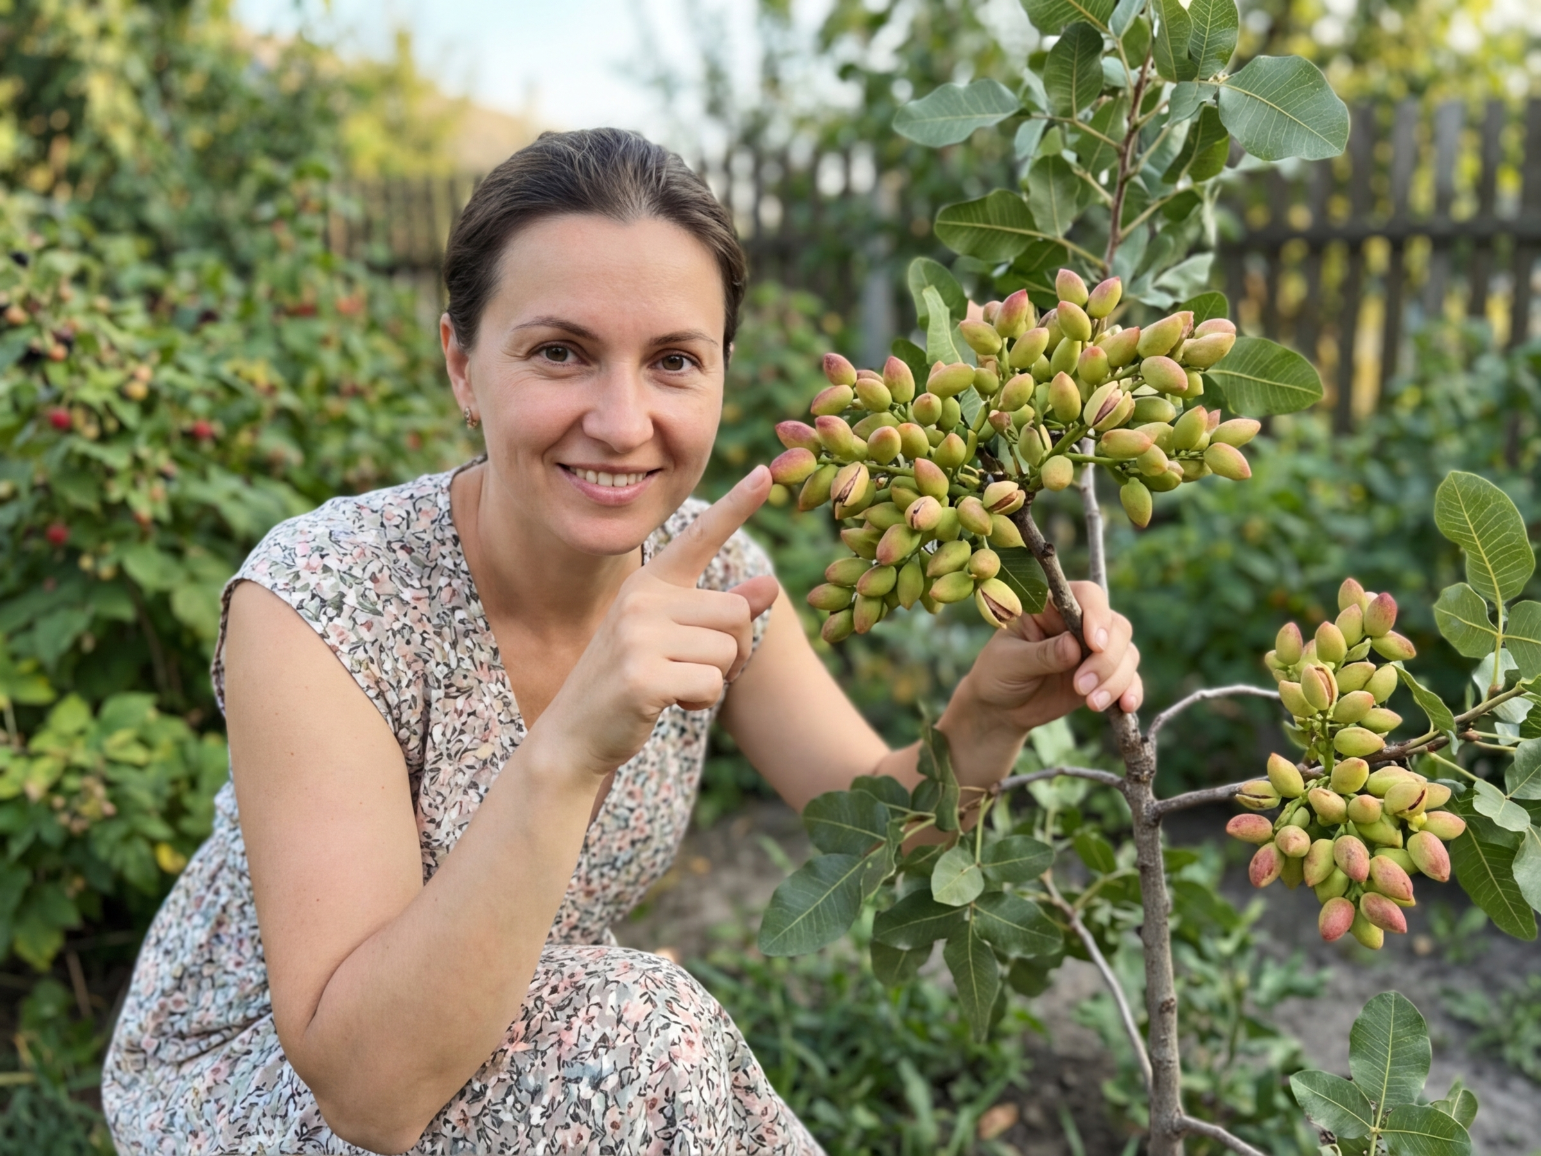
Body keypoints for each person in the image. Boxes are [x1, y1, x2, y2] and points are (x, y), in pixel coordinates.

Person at [101, 128, 1143, 1156]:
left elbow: (881, 818)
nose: (621, 418)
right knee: (643, 1029)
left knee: (633, 1030)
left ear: (721, 375)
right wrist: (570, 745)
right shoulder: (318, 597)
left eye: (673, 361)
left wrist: (991, 712)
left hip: (527, 1027)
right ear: (462, 365)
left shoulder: (715, 577)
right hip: (273, 1079)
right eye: (560, 352)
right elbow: (367, 1093)